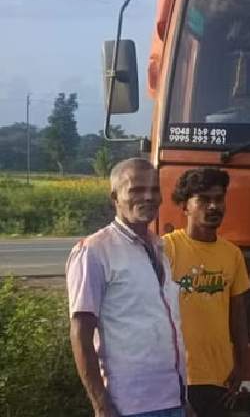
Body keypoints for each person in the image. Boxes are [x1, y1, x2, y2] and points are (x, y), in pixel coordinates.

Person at [66, 158, 187, 417]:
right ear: (115, 197)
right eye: (135, 190)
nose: (148, 196)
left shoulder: (158, 248)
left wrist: (183, 400)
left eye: (154, 189)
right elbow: (81, 333)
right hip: (128, 406)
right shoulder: (94, 251)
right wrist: (101, 405)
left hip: (172, 400)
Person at [163, 168, 250, 417]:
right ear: (185, 205)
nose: (213, 206)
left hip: (220, 378)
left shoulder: (232, 254)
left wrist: (241, 366)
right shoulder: (166, 249)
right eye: (203, 199)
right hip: (177, 377)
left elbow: (238, 315)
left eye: (219, 199)